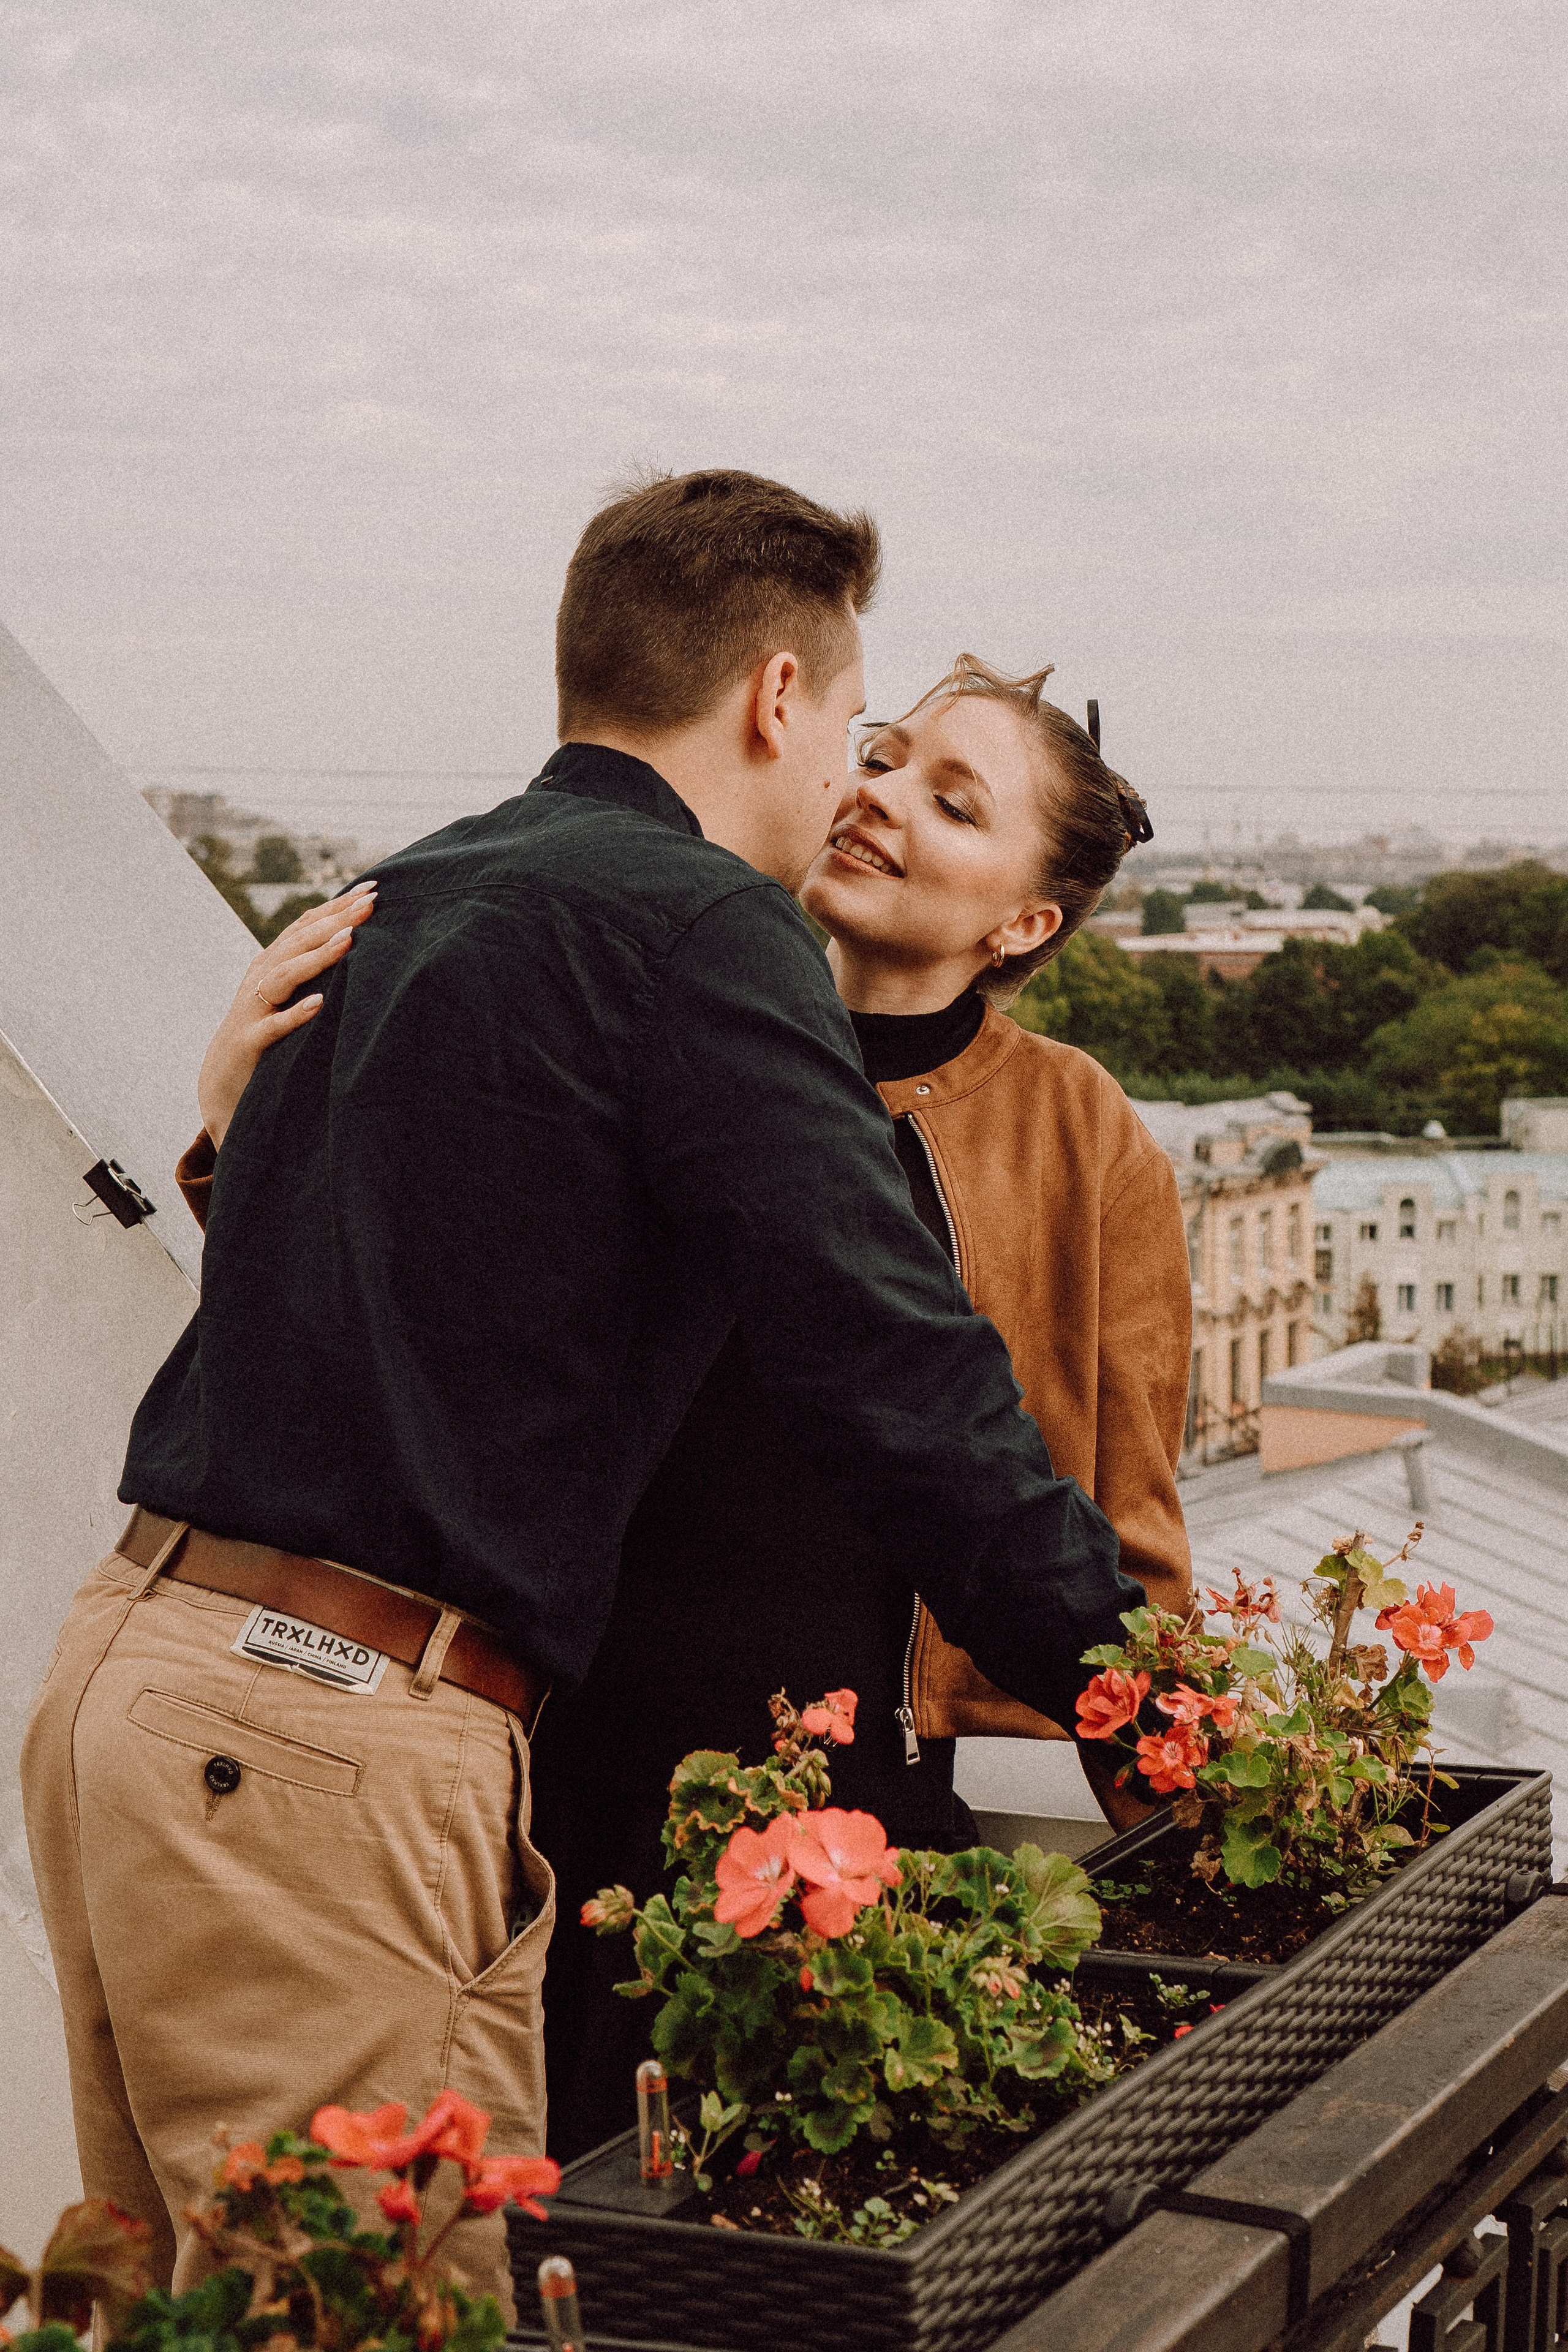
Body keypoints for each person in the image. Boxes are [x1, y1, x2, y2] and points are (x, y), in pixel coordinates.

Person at [22, 470, 1139, 2301]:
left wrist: (226, 1138)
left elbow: (409, 1291)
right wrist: (1145, 1696)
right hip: (328, 1736)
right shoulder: (709, 929)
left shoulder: (405, 891)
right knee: (396, 2316)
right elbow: (897, 1369)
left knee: (185, 2316)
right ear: (776, 697)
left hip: (126, 1698)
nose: (849, 773)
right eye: (858, 725)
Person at [181, 657, 1193, 2163]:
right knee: (555, 2218)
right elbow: (423, 1314)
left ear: (1023, 922)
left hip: (845, 1793)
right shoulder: (671, 1004)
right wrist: (228, 1140)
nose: (879, 797)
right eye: (885, 752)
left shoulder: (1077, 1130)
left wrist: (1193, 1794)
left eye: (952, 799)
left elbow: (1121, 1502)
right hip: (559, 1761)